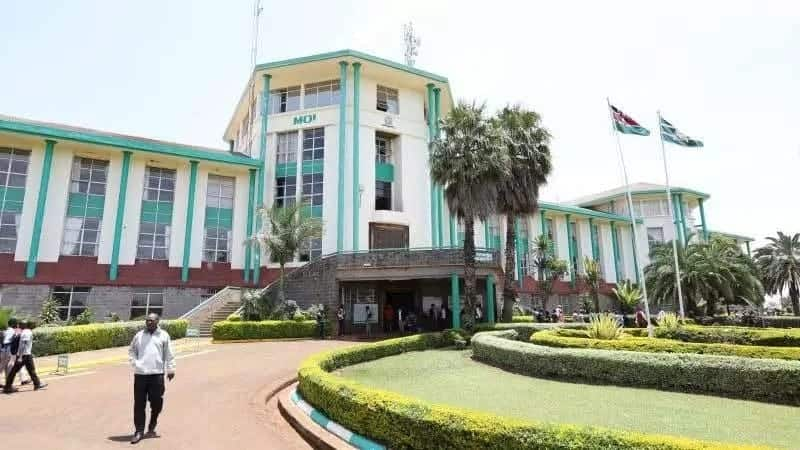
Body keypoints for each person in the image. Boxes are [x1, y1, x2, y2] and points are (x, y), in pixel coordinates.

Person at [128, 313, 175, 444]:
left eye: (151, 321)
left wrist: (171, 368)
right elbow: (131, 350)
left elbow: (169, 354)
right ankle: (139, 431)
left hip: (157, 375)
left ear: (157, 322)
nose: (148, 323)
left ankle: (153, 420)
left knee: (156, 401)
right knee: (139, 404)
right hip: (140, 375)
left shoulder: (164, 335)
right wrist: (135, 363)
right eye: (147, 321)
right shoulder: (139, 335)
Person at [4, 320, 45, 394]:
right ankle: (7, 387)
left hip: (24, 355)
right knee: (15, 371)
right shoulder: (27, 332)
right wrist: (20, 357)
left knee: (30, 370)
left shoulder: (24, 332)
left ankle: (37, 384)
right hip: (25, 355)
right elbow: (23, 345)